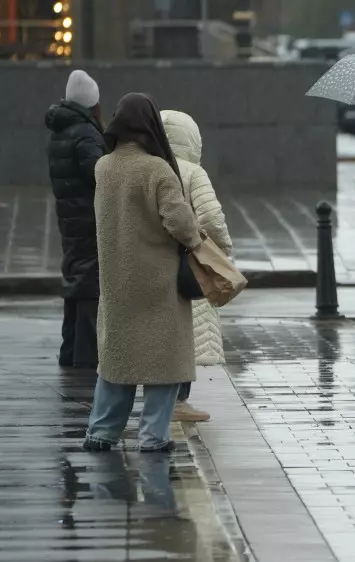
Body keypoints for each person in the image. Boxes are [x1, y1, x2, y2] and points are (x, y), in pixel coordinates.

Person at [82, 93, 203, 452]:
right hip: (157, 283)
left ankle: (102, 432)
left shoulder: (103, 166)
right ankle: (152, 436)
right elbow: (179, 223)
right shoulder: (157, 169)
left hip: (117, 281)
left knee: (118, 361)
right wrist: (196, 235)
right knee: (163, 363)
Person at [161, 109, 234, 423]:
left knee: (163, 332)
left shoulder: (151, 168)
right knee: (189, 331)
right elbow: (211, 217)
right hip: (189, 263)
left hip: (155, 262)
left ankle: (163, 398)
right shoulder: (193, 172)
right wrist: (222, 250)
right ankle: (179, 400)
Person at [46, 70, 107, 370]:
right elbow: (100, 176)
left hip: (70, 218)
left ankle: (69, 353)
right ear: (91, 101)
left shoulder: (61, 129)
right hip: (88, 219)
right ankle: (85, 358)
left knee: (75, 281)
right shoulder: (85, 133)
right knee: (88, 285)